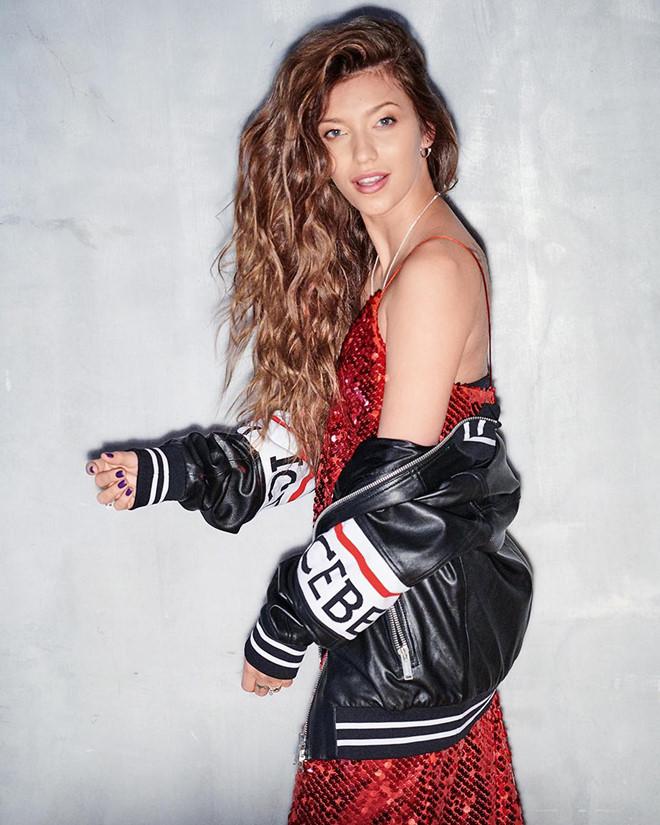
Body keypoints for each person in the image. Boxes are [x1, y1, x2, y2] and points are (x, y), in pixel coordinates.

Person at [85, 13, 532, 824]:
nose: (362, 153)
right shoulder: (379, 268)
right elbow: (326, 438)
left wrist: (286, 621)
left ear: (426, 129)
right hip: (400, 647)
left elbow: (400, 506)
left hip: (408, 668)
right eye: (335, 132)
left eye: (384, 122)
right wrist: (178, 470)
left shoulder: (433, 271)